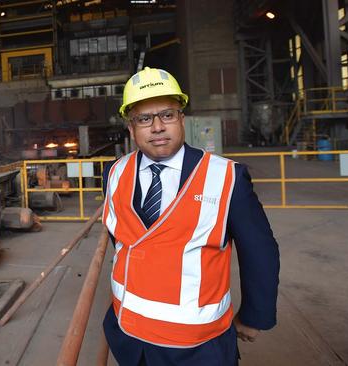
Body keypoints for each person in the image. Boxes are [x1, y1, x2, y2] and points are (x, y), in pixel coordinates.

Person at [101, 67, 279, 366]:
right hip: (128, 337)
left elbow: (259, 250)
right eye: (144, 118)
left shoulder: (227, 177)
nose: (157, 127)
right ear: (131, 128)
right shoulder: (114, 172)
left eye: (167, 115)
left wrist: (253, 316)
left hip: (197, 347)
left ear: (181, 119)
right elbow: (121, 238)